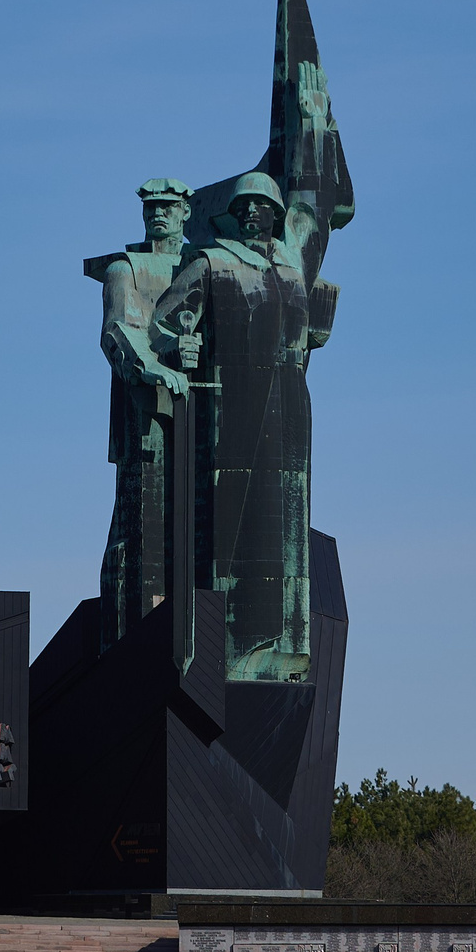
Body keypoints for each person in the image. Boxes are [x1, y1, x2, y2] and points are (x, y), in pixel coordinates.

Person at [149, 171, 335, 682]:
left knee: (288, 523)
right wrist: (179, 345)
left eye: (261, 205)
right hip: (232, 406)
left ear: (275, 214)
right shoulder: (212, 262)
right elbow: (163, 325)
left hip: (290, 406)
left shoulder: (291, 271)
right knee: (235, 523)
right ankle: (235, 645)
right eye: (243, 206)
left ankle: (286, 643)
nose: (252, 212)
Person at [85, 179, 194, 641]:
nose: (158, 213)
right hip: (144, 409)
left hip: (200, 411)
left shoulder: (203, 264)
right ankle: (135, 629)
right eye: (151, 207)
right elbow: (118, 330)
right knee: (142, 517)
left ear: (186, 211)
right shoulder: (124, 268)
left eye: (167, 206)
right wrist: (154, 368)